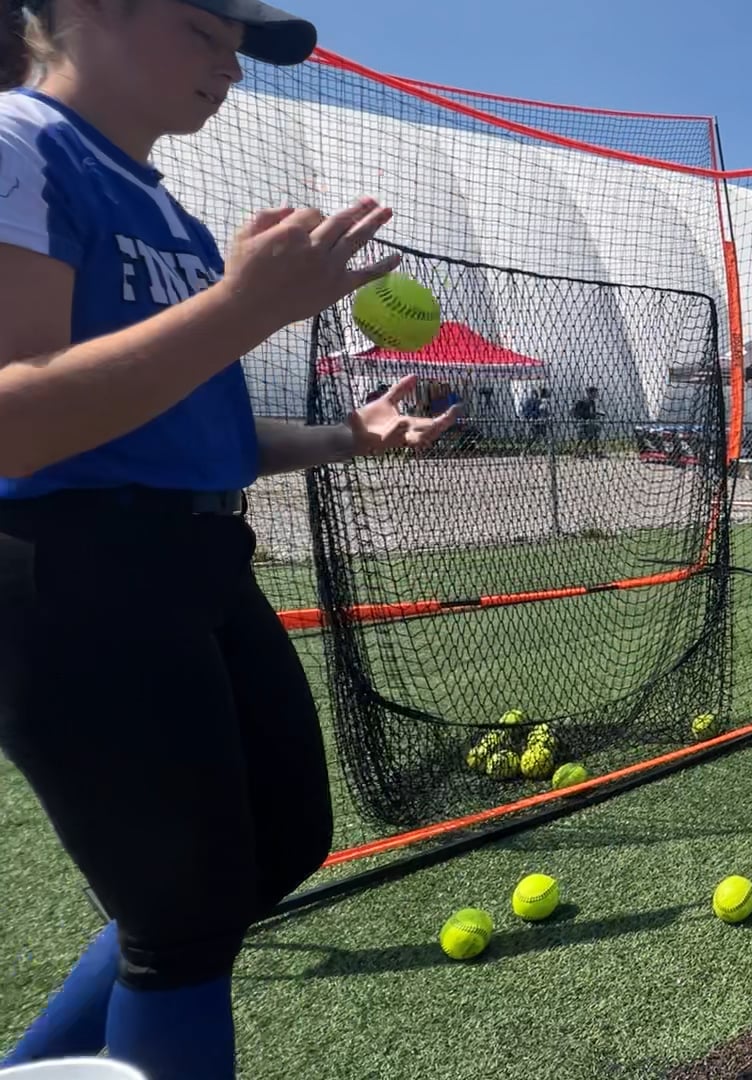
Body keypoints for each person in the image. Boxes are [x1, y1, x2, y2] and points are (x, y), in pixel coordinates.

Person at [0, 1, 454, 1075]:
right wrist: (246, 308)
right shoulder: (20, 146)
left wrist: (348, 436)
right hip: (69, 568)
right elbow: (14, 418)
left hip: (192, 561)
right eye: (206, 32)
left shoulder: (172, 216)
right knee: (184, 919)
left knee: (278, 845)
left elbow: (192, 431)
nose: (232, 70)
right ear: (87, 9)